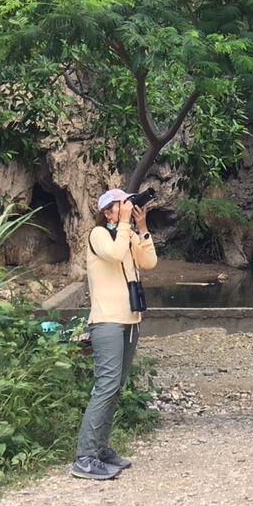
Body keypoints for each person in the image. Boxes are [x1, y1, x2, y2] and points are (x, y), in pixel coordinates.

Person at [72, 186, 158, 481]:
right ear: (107, 211)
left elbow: (148, 262)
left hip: (130, 321)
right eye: (120, 206)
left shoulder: (127, 233)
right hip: (107, 322)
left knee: (116, 387)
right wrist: (123, 224)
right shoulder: (98, 235)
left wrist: (142, 227)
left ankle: (100, 448)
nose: (125, 209)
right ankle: (84, 457)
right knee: (105, 387)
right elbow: (115, 253)